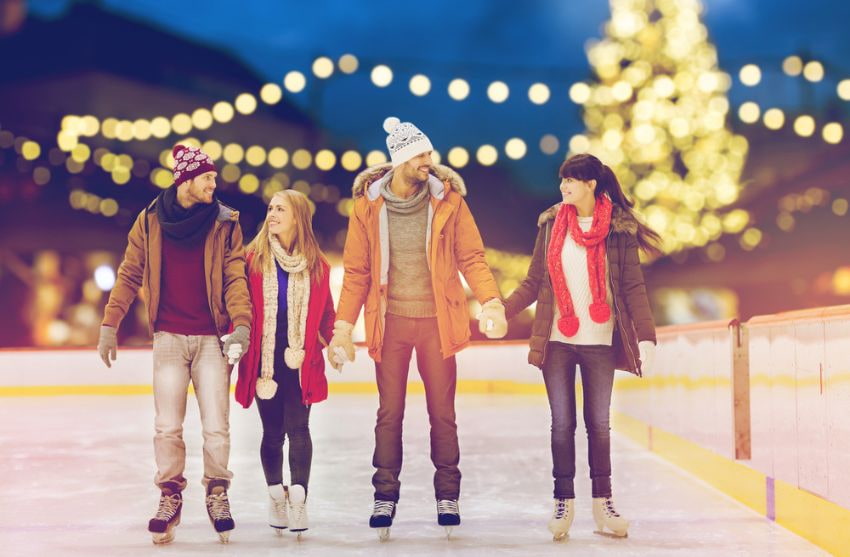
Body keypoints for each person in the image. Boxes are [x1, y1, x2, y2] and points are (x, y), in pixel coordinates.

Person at [329, 116, 507, 540]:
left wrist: (492, 302)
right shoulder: (368, 208)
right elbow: (356, 273)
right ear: (402, 158)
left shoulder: (448, 202)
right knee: (389, 414)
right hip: (390, 325)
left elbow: (472, 258)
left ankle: (448, 494)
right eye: (422, 154)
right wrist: (342, 327)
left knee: (442, 414)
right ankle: (384, 495)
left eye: (429, 153)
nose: (430, 160)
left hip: (437, 324)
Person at [97, 143, 251, 544]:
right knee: (167, 427)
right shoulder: (149, 221)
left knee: (217, 426)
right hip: (168, 336)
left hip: (212, 339)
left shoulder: (225, 222)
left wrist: (242, 323)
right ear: (185, 180)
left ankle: (217, 492)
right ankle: (170, 497)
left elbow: (236, 276)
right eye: (208, 177)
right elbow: (130, 272)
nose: (214, 184)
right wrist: (110, 323)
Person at [503, 153, 661, 541]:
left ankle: (603, 504)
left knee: (600, 425)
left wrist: (646, 336)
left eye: (571, 180)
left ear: (591, 184)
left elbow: (632, 288)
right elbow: (533, 281)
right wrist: (501, 310)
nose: (563, 187)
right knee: (562, 424)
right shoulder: (551, 223)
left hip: (599, 342)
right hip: (557, 341)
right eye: (562, 180)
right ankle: (563, 502)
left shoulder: (617, 231)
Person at [234, 190, 337, 538]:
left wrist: (335, 343)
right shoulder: (251, 259)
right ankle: (275, 495)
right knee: (272, 434)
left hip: (301, 362)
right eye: (270, 208)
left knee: (300, 430)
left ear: (298, 217)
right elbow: (237, 305)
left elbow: (327, 317)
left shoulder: (318, 266)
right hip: (264, 362)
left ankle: (299, 499)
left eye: (281, 208)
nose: (272, 213)